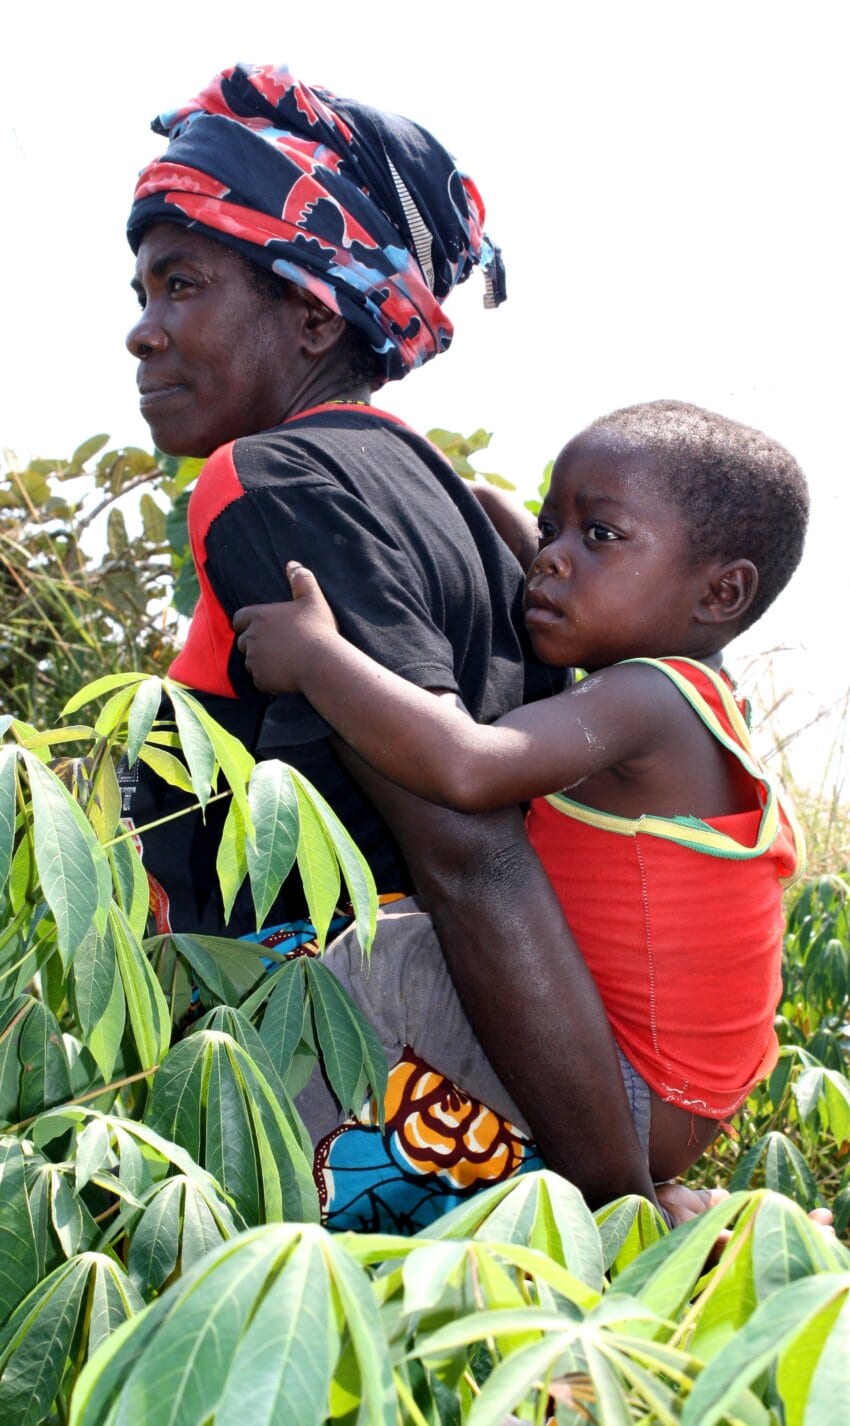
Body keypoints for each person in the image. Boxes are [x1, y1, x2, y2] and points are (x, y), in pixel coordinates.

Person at [121, 61, 692, 1232]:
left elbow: (466, 845)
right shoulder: (440, 489)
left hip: (344, 1095)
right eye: (139, 290)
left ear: (313, 312)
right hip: (464, 1089)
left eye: (181, 285)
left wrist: (615, 1204)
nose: (142, 331)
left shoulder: (271, 476)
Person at [233, 399, 809, 1186]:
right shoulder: (703, 704)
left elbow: (467, 767)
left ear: (721, 595)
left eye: (599, 535)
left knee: (390, 954)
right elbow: (505, 519)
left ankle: (251, 1172)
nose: (551, 559)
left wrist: (316, 658)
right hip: (670, 1108)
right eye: (550, 533)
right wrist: (442, 486)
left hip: (622, 1101)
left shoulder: (647, 698)